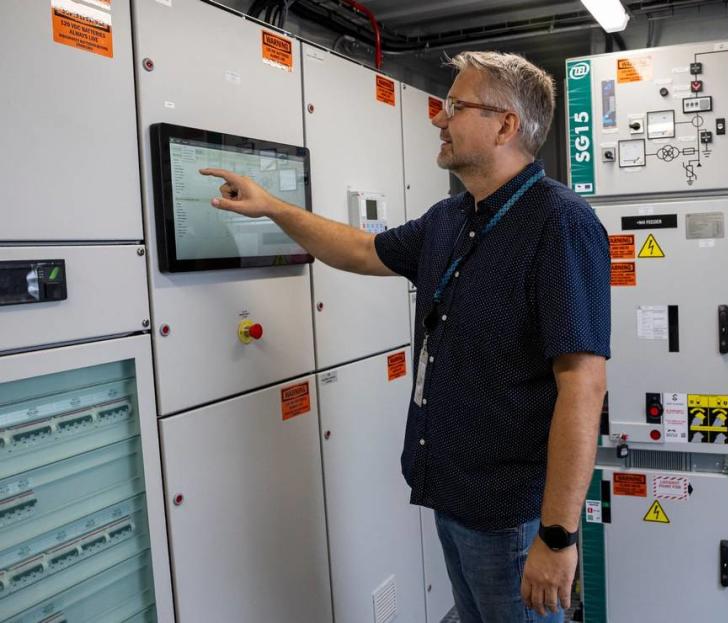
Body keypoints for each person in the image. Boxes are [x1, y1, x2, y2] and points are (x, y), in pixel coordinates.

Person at [200, 50, 610, 623]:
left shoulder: (560, 223)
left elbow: (583, 385)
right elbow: (362, 249)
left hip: (507, 515)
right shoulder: (452, 216)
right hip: (450, 494)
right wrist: (272, 208)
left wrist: (558, 537)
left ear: (506, 125)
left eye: (455, 106)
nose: (438, 119)